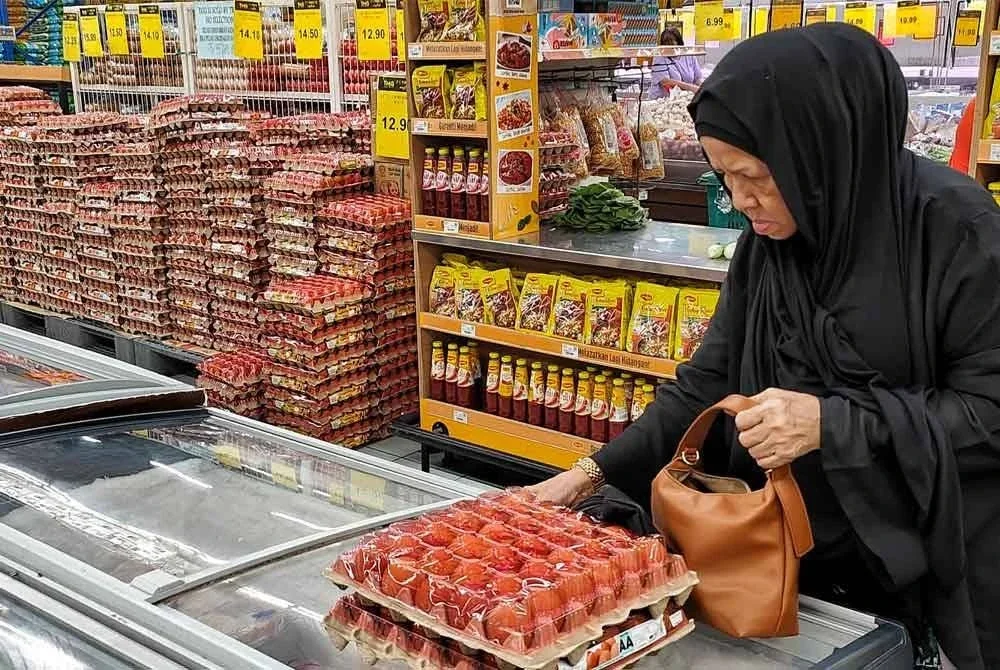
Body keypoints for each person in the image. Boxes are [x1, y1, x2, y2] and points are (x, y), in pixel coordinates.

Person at [531, 23, 1000, 669]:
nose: (739, 200)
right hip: (789, 559)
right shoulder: (772, 243)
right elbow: (708, 379)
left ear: (819, 153)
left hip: (921, 561)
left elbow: (989, 412)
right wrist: (585, 476)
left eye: (753, 175)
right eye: (725, 176)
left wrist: (834, 424)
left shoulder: (958, 229)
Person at [647, 27, 703, 96]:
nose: (668, 47)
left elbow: (698, 78)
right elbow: (666, 82)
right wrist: (692, 88)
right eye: (665, 44)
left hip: (684, 98)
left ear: (679, 43)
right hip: (663, 100)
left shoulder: (688, 55)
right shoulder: (659, 57)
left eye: (671, 44)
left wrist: (702, 89)